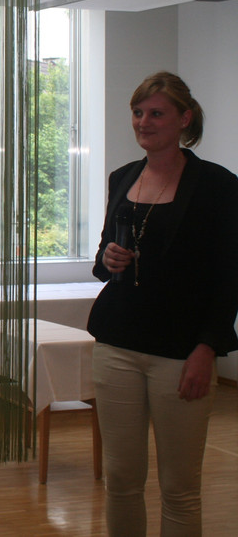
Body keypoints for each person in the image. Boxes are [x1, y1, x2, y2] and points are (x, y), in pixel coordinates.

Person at [89, 71, 238, 536]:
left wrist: (207, 348)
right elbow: (105, 254)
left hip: (181, 352)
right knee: (120, 480)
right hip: (116, 344)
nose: (143, 122)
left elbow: (229, 276)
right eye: (138, 112)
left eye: (156, 113)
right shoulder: (122, 177)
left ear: (184, 119)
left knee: (179, 488)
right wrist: (107, 258)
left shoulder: (217, 185)